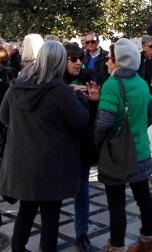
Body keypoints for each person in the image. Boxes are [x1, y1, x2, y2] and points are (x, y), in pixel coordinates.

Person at [0, 41, 90, 252]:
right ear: (59, 63)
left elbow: (3, 117)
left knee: (26, 209)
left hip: (22, 163)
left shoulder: (18, 86)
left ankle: (18, 248)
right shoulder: (60, 91)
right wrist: (83, 100)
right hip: (51, 166)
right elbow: (81, 121)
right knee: (51, 216)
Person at [96, 39, 152, 252]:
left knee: (117, 205)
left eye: (109, 58)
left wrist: (97, 141)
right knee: (144, 199)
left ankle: (117, 246)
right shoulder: (141, 83)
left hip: (117, 156)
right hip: (140, 151)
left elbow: (104, 123)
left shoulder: (112, 85)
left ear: (119, 61)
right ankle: (147, 242)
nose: (106, 63)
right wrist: (137, 128)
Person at [63, 42, 100, 252]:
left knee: (82, 190)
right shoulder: (56, 81)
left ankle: (82, 234)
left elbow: (91, 118)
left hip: (82, 144)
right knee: (54, 191)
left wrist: (94, 101)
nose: (78, 63)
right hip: (61, 146)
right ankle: (49, 232)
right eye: (73, 59)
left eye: (80, 59)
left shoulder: (88, 76)